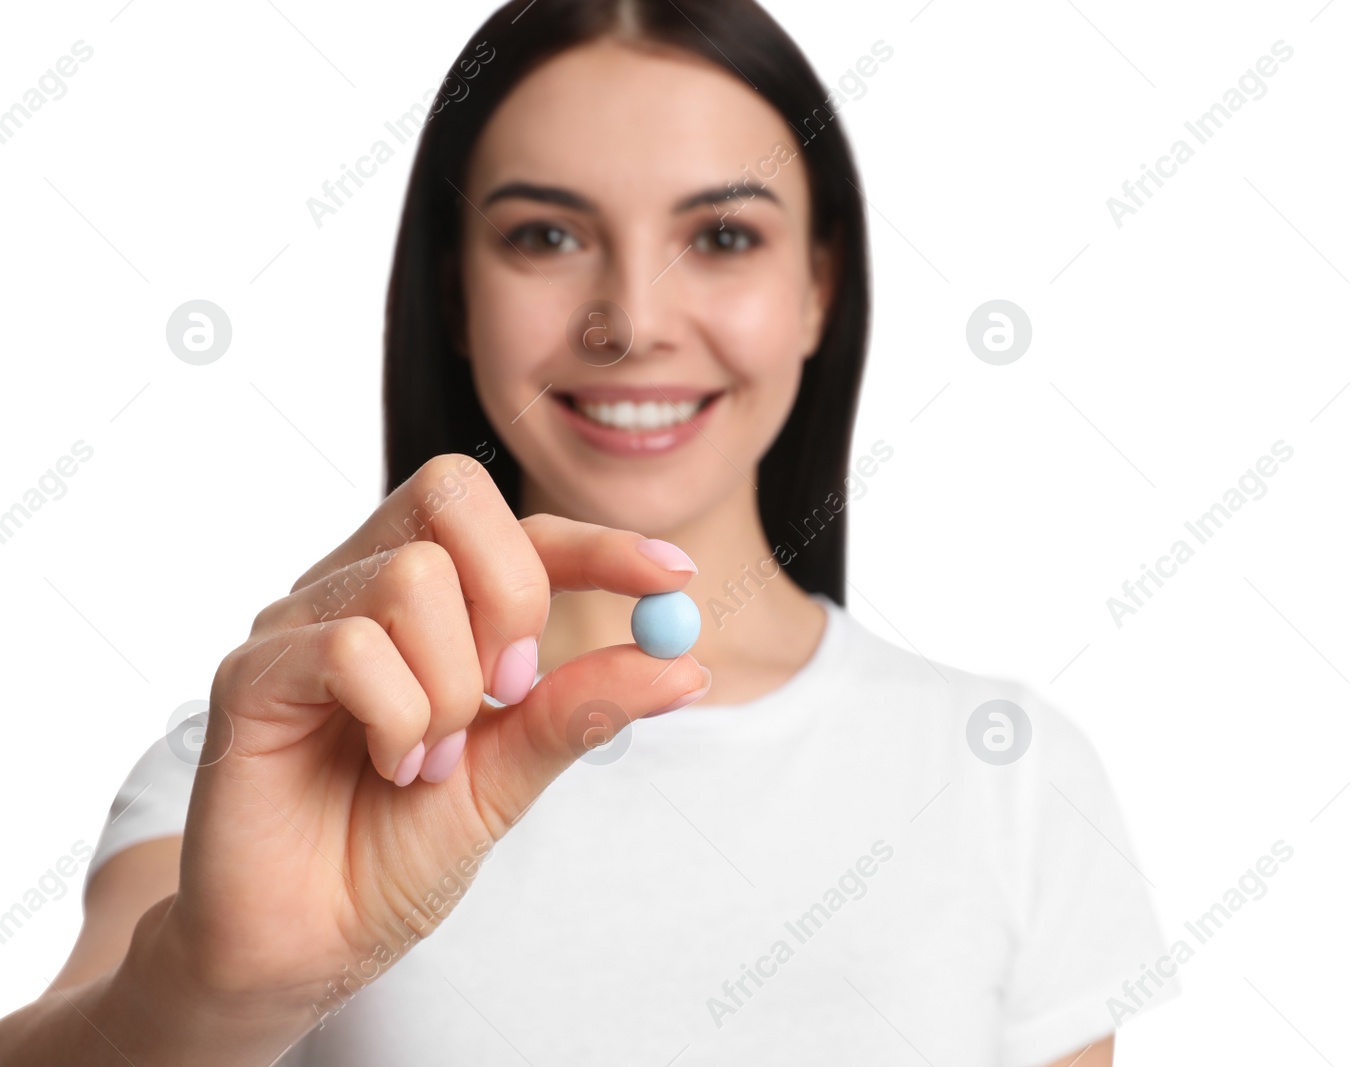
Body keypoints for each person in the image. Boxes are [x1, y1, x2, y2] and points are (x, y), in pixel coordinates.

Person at [0, 0, 1176, 1063]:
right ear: (455, 292)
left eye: (721, 236)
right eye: (546, 237)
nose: (633, 321)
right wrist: (211, 983)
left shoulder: (1005, 768)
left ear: (819, 284)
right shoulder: (292, 748)